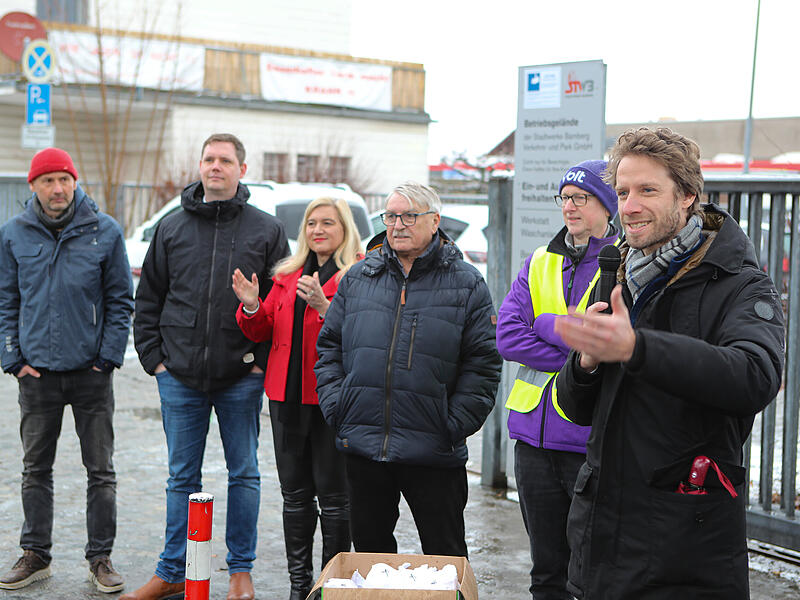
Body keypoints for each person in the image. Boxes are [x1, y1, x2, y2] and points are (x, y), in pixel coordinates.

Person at [553, 127, 785, 599]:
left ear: (687, 196)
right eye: (622, 193)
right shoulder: (619, 271)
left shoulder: (740, 282)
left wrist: (638, 349)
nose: (630, 206)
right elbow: (576, 409)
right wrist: (586, 364)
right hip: (602, 540)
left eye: (647, 191)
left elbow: (754, 376)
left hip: (684, 545)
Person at [127, 133, 289, 600]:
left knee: (245, 474)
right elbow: (149, 298)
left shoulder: (266, 230)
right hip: (178, 376)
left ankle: (240, 570)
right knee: (181, 477)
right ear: (200, 166)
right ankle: (172, 571)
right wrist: (155, 361)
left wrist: (259, 364)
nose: (215, 166)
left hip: (241, 376)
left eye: (225, 160)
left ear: (242, 169)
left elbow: (279, 304)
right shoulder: (171, 228)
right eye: (209, 159)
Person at [315, 181, 501, 557]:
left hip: (434, 448)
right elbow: (329, 348)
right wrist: (339, 408)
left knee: (445, 559)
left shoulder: (466, 283)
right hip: (364, 445)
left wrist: (452, 424)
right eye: (391, 216)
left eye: (409, 216)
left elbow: (483, 363)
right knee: (371, 559)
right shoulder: (358, 278)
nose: (398, 225)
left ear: (435, 221)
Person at [0, 148, 134, 593]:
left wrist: (107, 358)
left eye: (64, 179)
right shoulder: (13, 235)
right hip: (36, 376)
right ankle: (35, 554)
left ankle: (100, 559)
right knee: (35, 468)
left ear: (75, 182)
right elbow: (6, 301)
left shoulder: (104, 231)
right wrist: (13, 359)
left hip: (91, 375)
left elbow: (121, 300)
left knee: (101, 470)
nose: (58, 189)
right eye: (48, 181)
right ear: (33, 186)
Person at [496, 160, 619, 599]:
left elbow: (608, 344)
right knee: (546, 572)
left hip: (587, 442)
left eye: (581, 198)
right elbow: (508, 337)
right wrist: (571, 341)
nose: (569, 206)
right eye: (564, 197)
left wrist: (544, 323)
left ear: (607, 205)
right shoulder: (540, 261)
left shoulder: (622, 264)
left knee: (591, 573)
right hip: (532, 440)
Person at [232, 197, 362, 599]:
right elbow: (262, 328)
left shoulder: (359, 273)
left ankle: (331, 586)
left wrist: (324, 306)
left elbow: (362, 333)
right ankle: (299, 585)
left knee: (335, 499)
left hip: (332, 400)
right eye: (311, 223)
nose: (318, 230)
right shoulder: (286, 275)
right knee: (295, 497)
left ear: (345, 229)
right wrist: (251, 305)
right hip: (286, 398)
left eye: (328, 223)